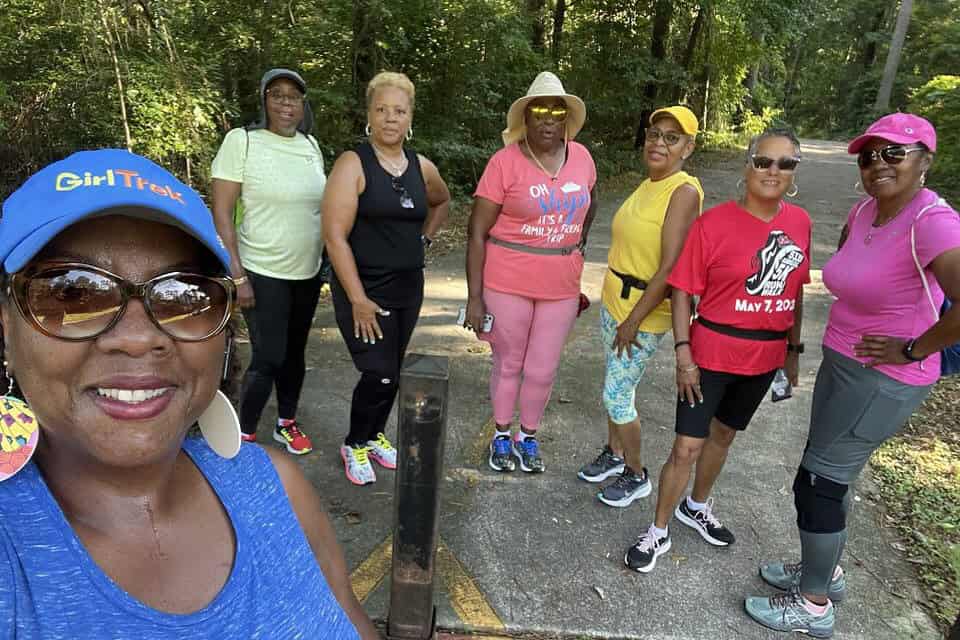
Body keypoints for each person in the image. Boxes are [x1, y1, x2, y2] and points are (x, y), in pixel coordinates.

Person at [0, 150, 379, 639]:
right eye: (73, 295)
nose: (139, 338)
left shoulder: (276, 486)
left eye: (184, 295)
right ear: (6, 329)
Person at [746, 114, 960, 637]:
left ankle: (814, 604)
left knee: (817, 481)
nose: (877, 164)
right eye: (869, 155)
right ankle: (825, 571)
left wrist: (914, 348)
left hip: (883, 380)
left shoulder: (933, 222)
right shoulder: (867, 210)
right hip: (844, 363)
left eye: (894, 153)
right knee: (829, 474)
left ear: (923, 160)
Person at [625, 128, 811, 572]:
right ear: (748, 165)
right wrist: (683, 355)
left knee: (724, 436)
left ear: (794, 172)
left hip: (763, 357)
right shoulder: (713, 224)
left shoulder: (800, 222)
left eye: (785, 163)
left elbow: (796, 291)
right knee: (686, 447)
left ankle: (698, 505)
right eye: (764, 161)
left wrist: (794, 351)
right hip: (709, 355)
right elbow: (683, 291)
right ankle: (658, 531)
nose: (773, 171)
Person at [466, 71, 598, 474]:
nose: (548, 119)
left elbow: (590, 203)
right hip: (507, 280)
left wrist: (576, 245)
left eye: (556, 112)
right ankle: (502, 435)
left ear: (566, 120)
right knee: (509, 362)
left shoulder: (584, 158)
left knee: (543, 367)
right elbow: (476, 231)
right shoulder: (504, 163)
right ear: (525, 117)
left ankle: (529, 435)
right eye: (539, 110)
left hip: (560, 284)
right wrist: (475, 298)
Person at [323, 71, 450, 486]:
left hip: (407, 287)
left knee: (392, 368)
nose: (390, 118)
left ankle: (375, 433)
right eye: (381, 109)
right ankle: (354, 442)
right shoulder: (352, 164)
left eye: (399, 110)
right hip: (364, 289)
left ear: (410, 116)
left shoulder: (421, 166)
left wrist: (424, 241)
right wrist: (357, 298)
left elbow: (442, 200)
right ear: (369, 115)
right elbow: (335, 237)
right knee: (378, 373)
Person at [577, 106, 703, 507]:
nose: (659, 143)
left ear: (688, 146)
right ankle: (615, 454)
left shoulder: (682, 191)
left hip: (642, 315)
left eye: (671, 137)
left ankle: (636, 473)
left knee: (617, 395)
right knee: (614, 385)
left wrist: (633, 320)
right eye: (654, 134)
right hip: (615, 302)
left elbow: (669, 269)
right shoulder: (650, 182)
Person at [211, 68, 326, 455]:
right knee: (269, 356)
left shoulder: (311, 146)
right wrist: (237, 274)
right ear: (264, 100)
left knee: (295, 355)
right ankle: (243, 434)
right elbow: (223, 213)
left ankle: (286, 423)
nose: (285, 103)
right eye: (277, 95)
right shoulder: (242, 141)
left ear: (302, 104)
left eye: (293, 97)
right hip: (262, 270)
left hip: (307, 271)